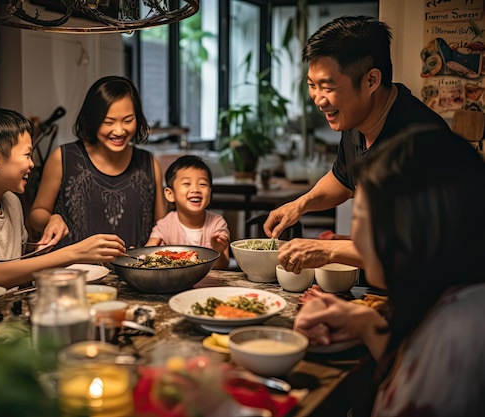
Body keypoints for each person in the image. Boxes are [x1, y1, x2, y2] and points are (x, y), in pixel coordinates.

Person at [294, 126, 485, 417]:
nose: (352, 236)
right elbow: (415, 363)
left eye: (359, 216)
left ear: (410, 229)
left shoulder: (459, 335)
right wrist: (368, 324)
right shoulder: (452, 303)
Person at [263, 15, 451, 273]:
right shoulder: (355, 118)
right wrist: (300, 205)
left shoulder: (419, 142)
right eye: (311, 85)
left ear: (371, 81)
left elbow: (408, 249)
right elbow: (343, 179)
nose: (318, 99)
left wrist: (326, 250)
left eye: (327, 87)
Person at [0, 106, 126, 289]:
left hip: (2, 317)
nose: (31, 164)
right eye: (27, 155)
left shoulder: (10, 201)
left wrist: (52, 222)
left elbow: (18, 266)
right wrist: (74, 252)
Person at [30, 76, 166, 250]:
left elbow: (162, 226)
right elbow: (35, 214)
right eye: (108, 122)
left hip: (134, 273)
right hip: (74, 273)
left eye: (128, 120)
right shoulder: (63, 158)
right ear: (92, 120)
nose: (119, 130)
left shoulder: (149, 164)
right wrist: (51, 219)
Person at [145, 155, 230, 269]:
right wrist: (138, 255)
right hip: (174, 284)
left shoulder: (217, 224)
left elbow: (223, 267)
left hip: (209, 284)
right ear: (170, 194)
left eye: (202, 184)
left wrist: (218, 250)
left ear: (210, 192)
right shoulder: (164, 226)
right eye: (186, 184)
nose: (195, 189)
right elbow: (147, 253)